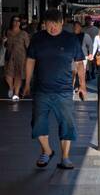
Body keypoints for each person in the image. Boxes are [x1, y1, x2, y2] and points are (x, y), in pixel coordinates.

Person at [22, 9, 86, 169]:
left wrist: (82, 85)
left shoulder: (71, 40)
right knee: (38, 124)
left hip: (64, 90)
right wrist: (27, 83)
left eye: (56, 25)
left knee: (66, 124)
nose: (52, 28)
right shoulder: (37, 38)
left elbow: (79, 63)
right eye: (49, 25)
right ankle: (47, 151)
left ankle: (65, 157)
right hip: (41, 89)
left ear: (62, 23)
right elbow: (30, 60)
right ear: (45, 24)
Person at [4, 14, 30, 100]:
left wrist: (29, 59)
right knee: (8, 75)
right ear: (11, 22)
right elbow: (4, 45)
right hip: (9, 57)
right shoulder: (8, 32)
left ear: (20, 23)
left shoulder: (24, 33)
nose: (16, 22)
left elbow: (28, 47)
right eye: (14, 20)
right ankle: (11, 87)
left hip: (21, 57)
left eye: (18, 21)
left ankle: (16, 93)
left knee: (18, 75)